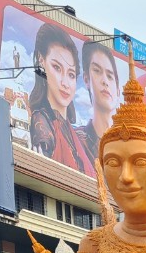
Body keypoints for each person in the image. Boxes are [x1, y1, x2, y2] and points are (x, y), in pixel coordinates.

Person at [29, 23, 96, 175]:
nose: (65, 83)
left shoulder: (77, 136)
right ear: (41, 62)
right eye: (57, 68)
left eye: (71, 74)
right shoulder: (42, 122)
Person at [77, 40, 120, 160]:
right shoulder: (75, 141)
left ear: (118, 91)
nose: (105, 81)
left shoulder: (126, 149)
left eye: (110, 76)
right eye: (97, 71)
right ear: (86, 79)